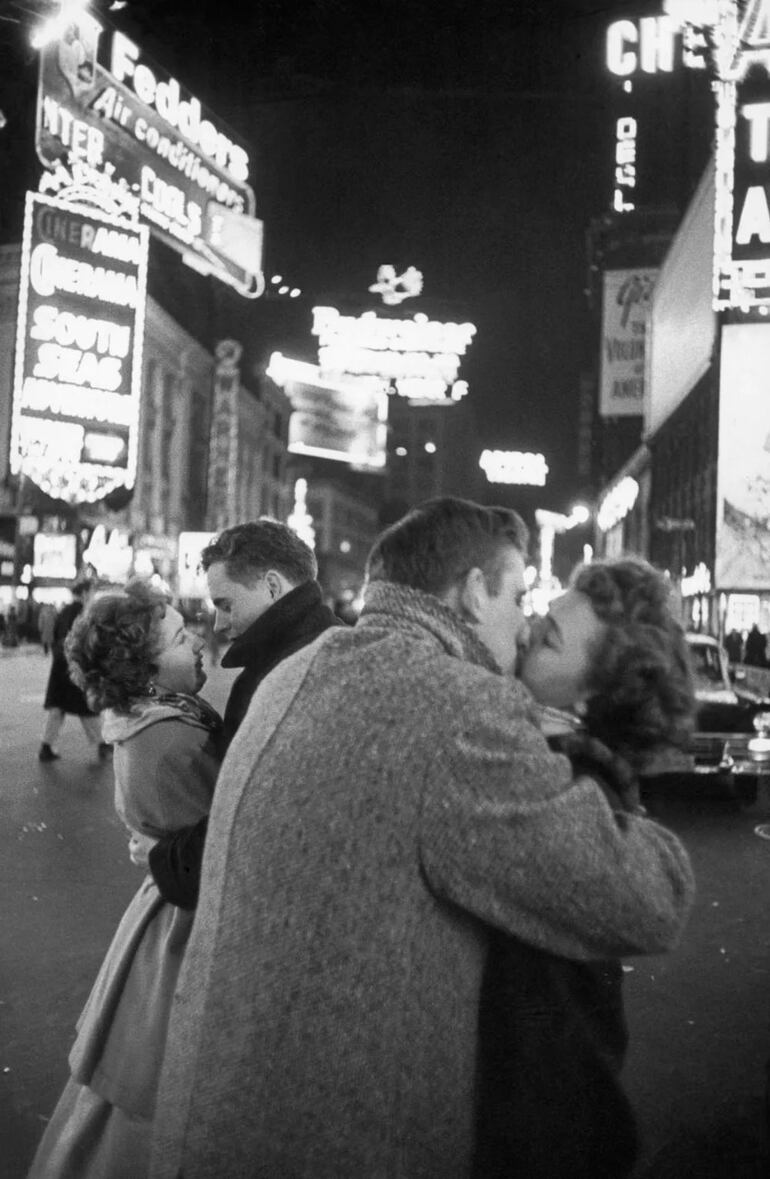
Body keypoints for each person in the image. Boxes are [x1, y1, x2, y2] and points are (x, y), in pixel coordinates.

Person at [149, 497, 694, 1179]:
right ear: (472, 590)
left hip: (219, 1119)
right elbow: (650, 897)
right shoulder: (456, 705)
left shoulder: (301, 668)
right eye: (521, 596)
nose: (524, 625)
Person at [474, 556, 697, 1179]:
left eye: (545, 636)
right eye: (536, 617)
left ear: (599, 691)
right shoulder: (542, 755)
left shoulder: (565, 784)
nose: (525, 632)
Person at [27, 581, 221, 1179]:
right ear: (142, 666)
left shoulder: (154, 717)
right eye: (180, 638)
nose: (197, 646)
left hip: (165, 904)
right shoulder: (168, 738)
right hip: (188, 920)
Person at [144, 518, 339, 909]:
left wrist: (166, 860)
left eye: (225, 604)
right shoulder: (325, 646)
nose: (218, 623)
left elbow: (258, 816)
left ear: (271, 586)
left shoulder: (286, 676)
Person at [38, 580, 109, 763]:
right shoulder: (82, 613)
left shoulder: (64, 611)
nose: (93, 595)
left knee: (58, 707)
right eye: (92, 592)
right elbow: (85, 641)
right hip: (74, 667)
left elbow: (55, 636)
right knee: (85, 706)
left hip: (60, 667)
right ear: (85, 593)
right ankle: (103, 743)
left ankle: (46, 746)